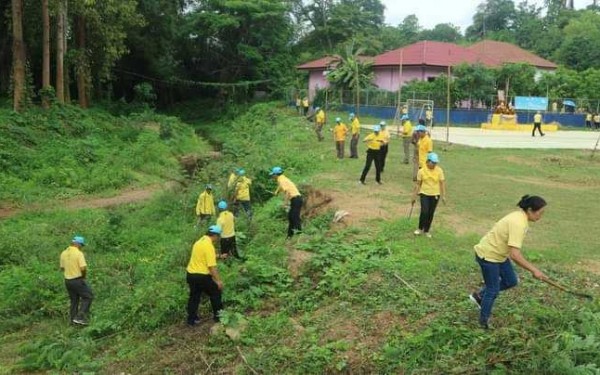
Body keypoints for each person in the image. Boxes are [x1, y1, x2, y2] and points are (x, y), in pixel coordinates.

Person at [469, 195, 548, 330]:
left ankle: (480, 296)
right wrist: (534, 270)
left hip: (499, 254)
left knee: (511, 281)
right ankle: (484, 323)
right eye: (540, 213)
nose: (541, 216)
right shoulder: (519, 223)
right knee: (492, 290)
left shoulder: (520, 216)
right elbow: (515, 255)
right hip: (489, 256)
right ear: (530, 210)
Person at [186, 225, 224, 325]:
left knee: (194, 297)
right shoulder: (209, 246)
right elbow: (212, 267)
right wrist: (218, 281)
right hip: (202, 276)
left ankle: (191, 319)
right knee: (216, 292)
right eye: (218, 236)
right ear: (215, 236)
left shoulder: (200, 241)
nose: (218, 239)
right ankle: (219, 317)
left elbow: (204, 256)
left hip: (191, 274)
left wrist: (219, 256)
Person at [60, 236, 93, 325]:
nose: (81, 246)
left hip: (67, 281)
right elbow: (83, 268)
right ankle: (80, 317)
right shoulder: (78, 253)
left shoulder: (63, 253)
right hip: (77, 280)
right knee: (88, 296)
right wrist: (83, 276)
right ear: (77, 244)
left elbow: (62, 268)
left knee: (74, 300)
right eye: (81, 245)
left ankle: (73, 322)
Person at [411, 153, 446, 238]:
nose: (434, 164)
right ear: (428, 161)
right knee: (424, 211)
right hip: (424, 193)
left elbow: (442, 183)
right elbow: (418, 184)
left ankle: (426, 230)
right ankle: (420, 228)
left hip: (435, 195)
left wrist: (443, 195)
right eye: (433, 162)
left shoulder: (439, 171)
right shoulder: (421, 171)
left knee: (431, 213)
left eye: (435, 163)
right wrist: (414, 196)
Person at [270, 167, 303, 238]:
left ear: (276, 174)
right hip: (296, 199)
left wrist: (285, 203)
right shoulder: (282, 178)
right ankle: (289, 236)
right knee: (291, 217)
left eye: (273, 174)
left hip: (296, 199)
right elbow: (280, 186)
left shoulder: (281, 180)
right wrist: (276, 192)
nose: (272, 176)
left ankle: (299, 234)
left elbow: (287, 192)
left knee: (294, 217)